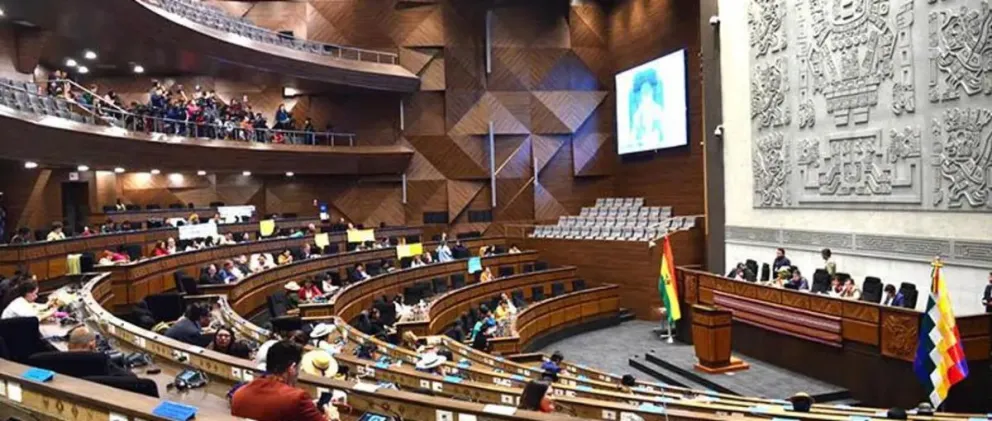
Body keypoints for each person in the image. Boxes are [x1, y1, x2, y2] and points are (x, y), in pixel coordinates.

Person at [231, 341, 338, 421]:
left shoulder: (239, 393)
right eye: (298, 368)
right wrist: (333, 417)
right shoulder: (297, 398)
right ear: (292, 368)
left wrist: (308, 407)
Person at [66, 325, 132, 377]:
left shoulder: (62, 362)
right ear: (92, 345)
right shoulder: (101, 364)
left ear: (69, 346)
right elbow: (130, 378)